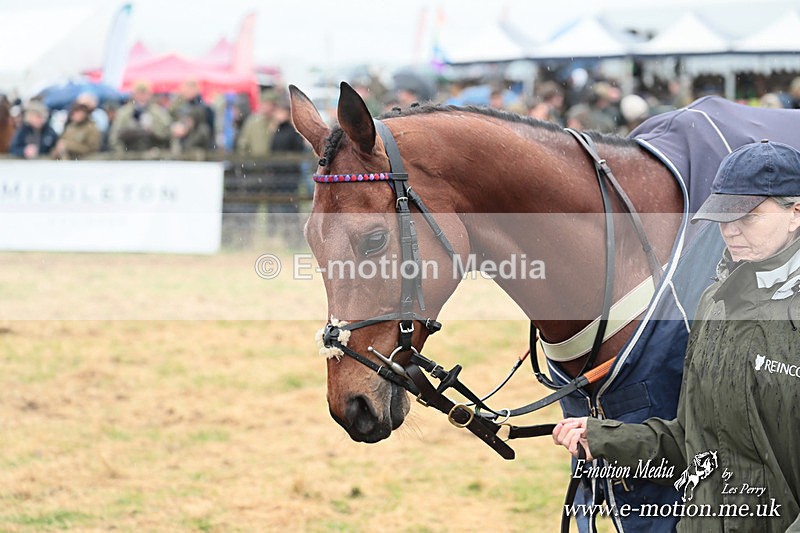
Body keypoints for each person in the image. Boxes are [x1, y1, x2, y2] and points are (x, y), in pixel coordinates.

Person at [553, 140, 800, 532]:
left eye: (747, 216)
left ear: (795, 213)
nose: (730, 230)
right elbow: (692, 440)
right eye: (722, 216)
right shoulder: (714, 303)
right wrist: (605, 438)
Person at [108, 80, 172, 155]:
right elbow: (114, 137)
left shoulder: (159, 113)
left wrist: (152, 132)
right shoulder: (124, 113)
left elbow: (167, 134)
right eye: (139, 93)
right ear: (133, 94)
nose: (142, 96)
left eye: (145, 93)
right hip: (129, 155)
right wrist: (122, 153)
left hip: (153, 156)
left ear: (150, 94)